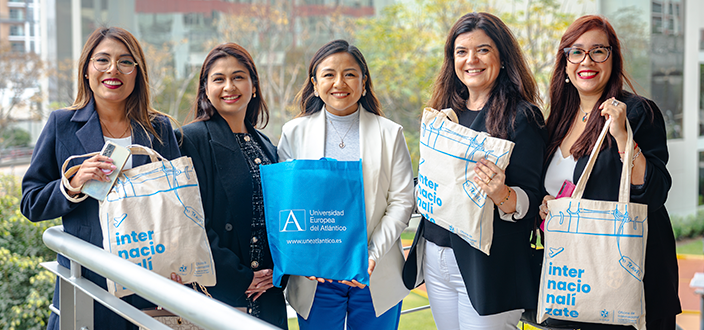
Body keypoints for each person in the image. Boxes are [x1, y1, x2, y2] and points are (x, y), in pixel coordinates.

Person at [20, 27, 181, 329]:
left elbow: (177, 207)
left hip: (150, 285)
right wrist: (72, 184)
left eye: (125, 61)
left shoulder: (158, 129)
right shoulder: (62, 124)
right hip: (86, 284)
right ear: (86, 70)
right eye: (102, 60)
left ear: (137, 72)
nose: (113, 70)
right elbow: (31, 203)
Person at [402, 12, 547, 329]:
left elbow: (531, 202)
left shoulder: (523, 117)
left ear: (502, 57)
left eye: (483, 50)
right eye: (461, 51)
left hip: (491, 268)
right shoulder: (444, 113)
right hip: (437, 257)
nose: (472, 60)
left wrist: (501, 193)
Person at [538, 15, 681, 329]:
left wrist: (622, 136)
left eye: (598, 51)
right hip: (572, 280)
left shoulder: (638, 112)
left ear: (613, 59)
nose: (586, 60)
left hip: (627, 277)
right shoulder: (557, 121)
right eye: (576, 52)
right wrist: (546, 204)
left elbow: (655, 192)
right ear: (564, 64)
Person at [278, 39, 414, 330]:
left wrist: (372, 255)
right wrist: (305, 256)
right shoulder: (293, 133)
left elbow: (402, 201)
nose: (339, 82)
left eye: (350, 74)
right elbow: (287, 203)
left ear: (364, 83)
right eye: (329, 74)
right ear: (315, 84)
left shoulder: (390, 133)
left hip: (376, 273)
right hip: (317, 277)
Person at [175, 43, 286, 328]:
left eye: (238, 77)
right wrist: (239, 277)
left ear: (253, 85)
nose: (229, 86)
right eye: (219, 79)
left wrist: (278, 272)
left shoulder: (267, 146)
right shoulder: (190, 139)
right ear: (205, 88)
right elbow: (188, 221)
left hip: (269, 292)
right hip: (220, 293)